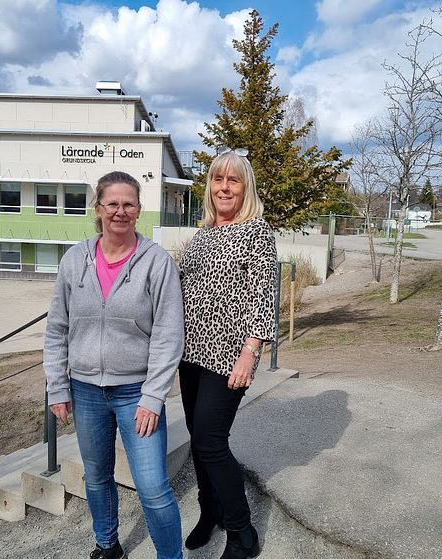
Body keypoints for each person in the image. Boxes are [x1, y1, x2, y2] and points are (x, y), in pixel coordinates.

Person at [44, 171, 184, 559]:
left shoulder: (156, 263)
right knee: (98, 478)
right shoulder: (75, 260)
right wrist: (57, 386)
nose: (120, 211)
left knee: (154, 487)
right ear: (98, 209)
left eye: (128, 204)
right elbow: (57, 328)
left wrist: (153, 396)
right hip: (85, 391)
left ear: (138, 209)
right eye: (112, 204)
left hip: (136, 393)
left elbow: (169, 336)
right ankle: (107, 545)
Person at [179, 148, 277, 559]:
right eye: (218, 179)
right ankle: (211, 509)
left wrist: (249, 353)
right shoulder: (201, 235)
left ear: (245, 187)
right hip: (190, 356)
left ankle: (242, 532)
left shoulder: (257, 232)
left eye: (232, 180)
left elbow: (263, 296)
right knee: (199, 442)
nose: (224, 187)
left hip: (227, 357)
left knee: (210, 439)